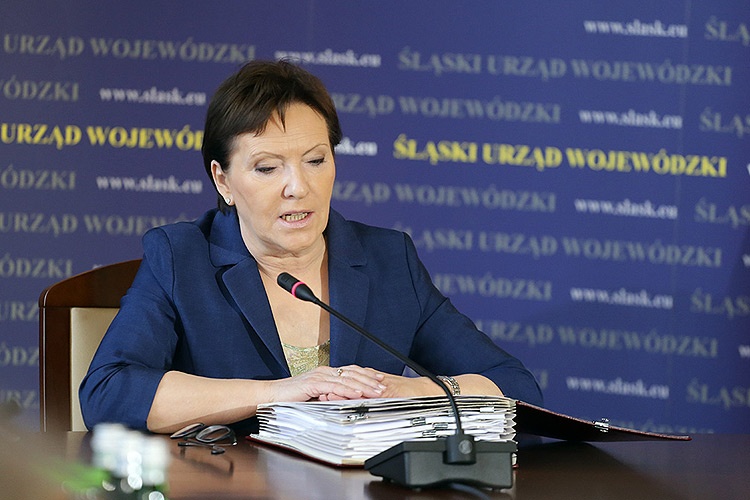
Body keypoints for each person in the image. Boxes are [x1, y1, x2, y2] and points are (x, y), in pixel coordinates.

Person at [79, 60, 543, 434]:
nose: (298, 187)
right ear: (223, 180)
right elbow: (109, 392)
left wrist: (402, 391)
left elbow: (516, 389)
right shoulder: (181, 258)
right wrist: (278, 393)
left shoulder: (388, 260)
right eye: (267, 168)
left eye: (316, 160)